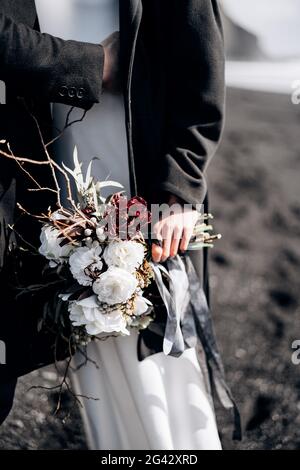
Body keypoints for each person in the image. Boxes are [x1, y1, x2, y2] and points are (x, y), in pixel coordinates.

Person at [0, 0, 226, 449]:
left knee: (162, 368)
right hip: (64, 201)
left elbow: (199, 62)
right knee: (97, 358)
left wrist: (181, 185)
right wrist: (90, 64)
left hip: (142, 190)